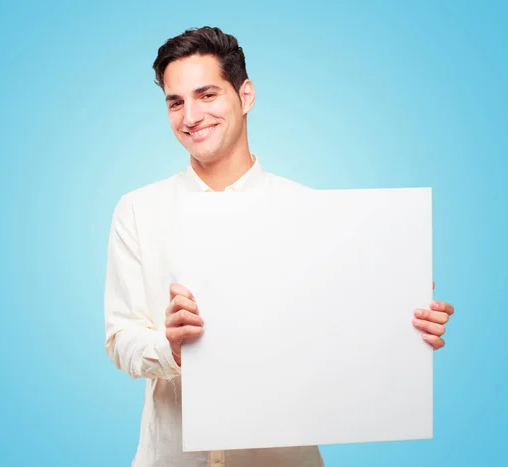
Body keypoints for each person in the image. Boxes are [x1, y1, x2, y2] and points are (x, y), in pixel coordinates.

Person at [103, 26, 455, 467]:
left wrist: (404, 327)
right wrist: (169, 348)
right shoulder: (139, 210)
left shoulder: (311, 212)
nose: (191, 116)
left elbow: (344, 332)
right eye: (176, 102)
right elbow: (121, 337)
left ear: (245, 95)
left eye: (207, 95)